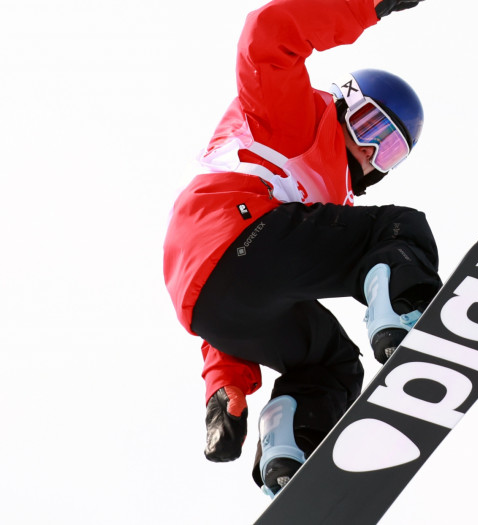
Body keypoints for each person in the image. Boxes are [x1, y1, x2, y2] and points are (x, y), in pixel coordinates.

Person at [162, 0, 442, 496]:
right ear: (345, 102)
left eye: (390, 152)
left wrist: (223, 386)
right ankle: (402, 312)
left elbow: (231, 299)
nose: (370, 153)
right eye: (371, 128)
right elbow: (266, 36)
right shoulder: (298, 114)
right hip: (239, 233)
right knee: (398, 231)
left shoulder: (329, 205)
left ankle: (287, 452)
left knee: (334, 365)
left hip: (212, 293)